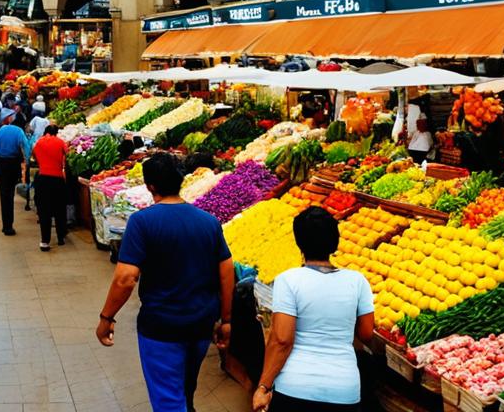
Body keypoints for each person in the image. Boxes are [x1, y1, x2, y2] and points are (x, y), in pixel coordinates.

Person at [96, 153, 234, 412]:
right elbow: (226, 272)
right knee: (185, 389)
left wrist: (107, 317)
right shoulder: (209, 222)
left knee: (168, 400)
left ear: (150, 186)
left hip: (161, 326)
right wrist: (225, 320)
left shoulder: (142, 222)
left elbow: (126, 279)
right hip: (201, 323)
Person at [253, 207, 374, 412]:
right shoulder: (358, 281)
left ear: (299, 242)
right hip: (344, 390)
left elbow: (281, 340)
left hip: (295, 387)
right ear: (335, 241)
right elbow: (366, 334)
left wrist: (263, 387)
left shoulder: (288, 280)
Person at [32, 124, 71, 251]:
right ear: (56, 132)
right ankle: (60, 238)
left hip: (43, 178)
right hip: (58, 179)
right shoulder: (60, 142)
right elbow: (67, 155)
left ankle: (45, 241)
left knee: (44, 211)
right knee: (59, 208)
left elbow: (35, 157)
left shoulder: (39, 142)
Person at [0, 110, 29, 235]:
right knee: (10, 195)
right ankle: (9, 226)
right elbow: (26, 147)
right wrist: (27, 161)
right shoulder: (19, 132)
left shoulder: (1, 130)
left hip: (1, 165)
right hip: (13, 165)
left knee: (4, 195)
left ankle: (5, 225)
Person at [391, 90, 432, 160]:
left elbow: (411, 128)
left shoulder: (414, 108)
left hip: (419, 148)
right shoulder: (419, 111)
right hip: (420, 145)